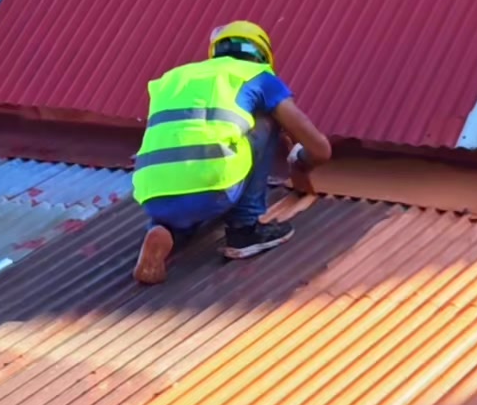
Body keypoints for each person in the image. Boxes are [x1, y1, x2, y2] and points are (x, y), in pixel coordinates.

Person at [132, 20, 332, 284]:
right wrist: (300, 159)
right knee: (267, 118)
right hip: (213, 190)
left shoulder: (174, 78)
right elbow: (320, 148)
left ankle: (162, 229)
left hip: (152, 192)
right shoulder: (258, 76)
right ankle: (245, 231)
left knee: (183, 203)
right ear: (262, 54)